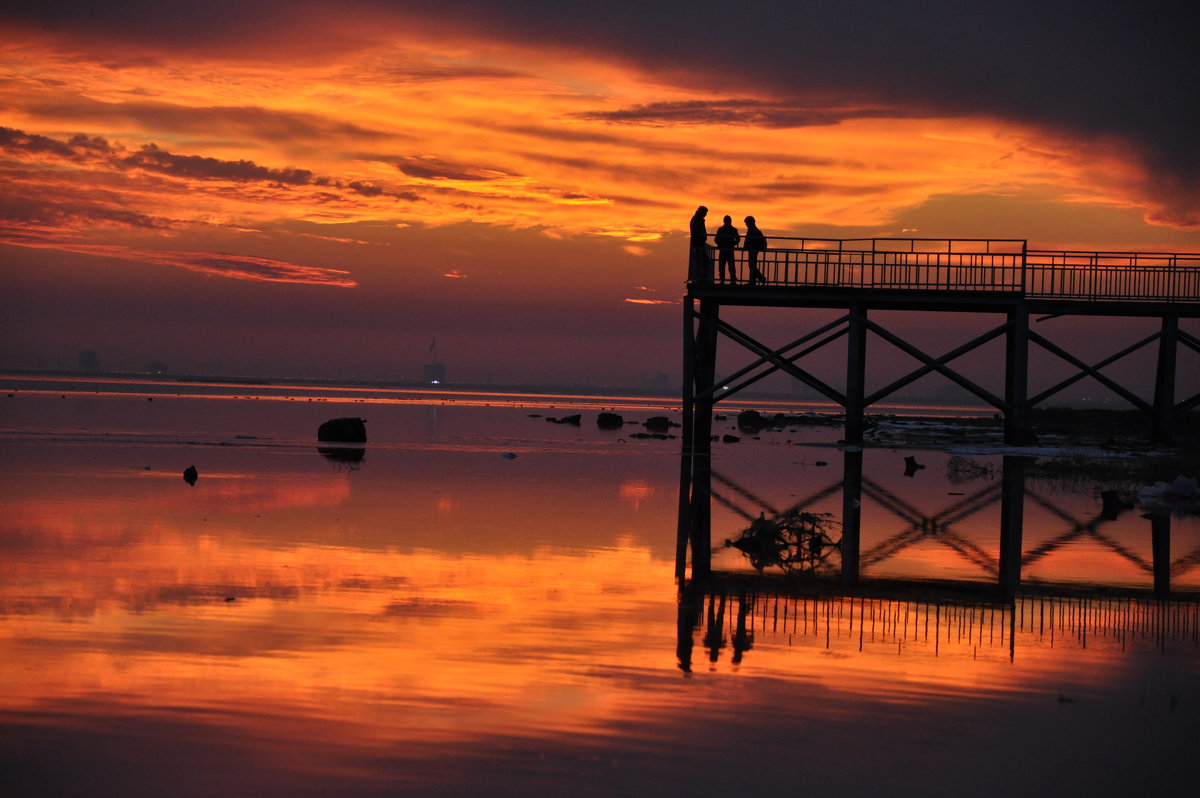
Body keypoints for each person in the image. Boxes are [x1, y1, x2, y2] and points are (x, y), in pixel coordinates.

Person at [713, 215, 741, 283]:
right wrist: (733, 244)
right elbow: (738, 239)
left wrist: (721, 244)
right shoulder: (732, 229)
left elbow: (716, 239)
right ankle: (731, 279)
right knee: (727, 265)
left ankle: (726, 280)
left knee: (725, 265)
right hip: (727, 250)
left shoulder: (722, 229)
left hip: (725, 250)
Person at [689, 206, 712, 281]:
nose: (706, 214)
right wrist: (701, 238)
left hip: (699, 243)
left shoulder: (697, 219)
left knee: (702, 260)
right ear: (701, 212)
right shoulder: (697, 219)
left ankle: (701, 276)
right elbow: (697, 231)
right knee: (703, 260)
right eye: (705, 213)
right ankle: (701, 277)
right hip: (698, 243)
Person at [743, 215, 768, 284]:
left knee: (752, 265)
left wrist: (745, 247)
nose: (746, 225)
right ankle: (753, 281)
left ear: (750, 222)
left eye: (747, 223)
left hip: (753, 250)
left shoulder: (753, 230)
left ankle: (760, 278)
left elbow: (748, 240)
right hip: (753, 249)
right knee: (752, 265)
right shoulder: (754, 230)